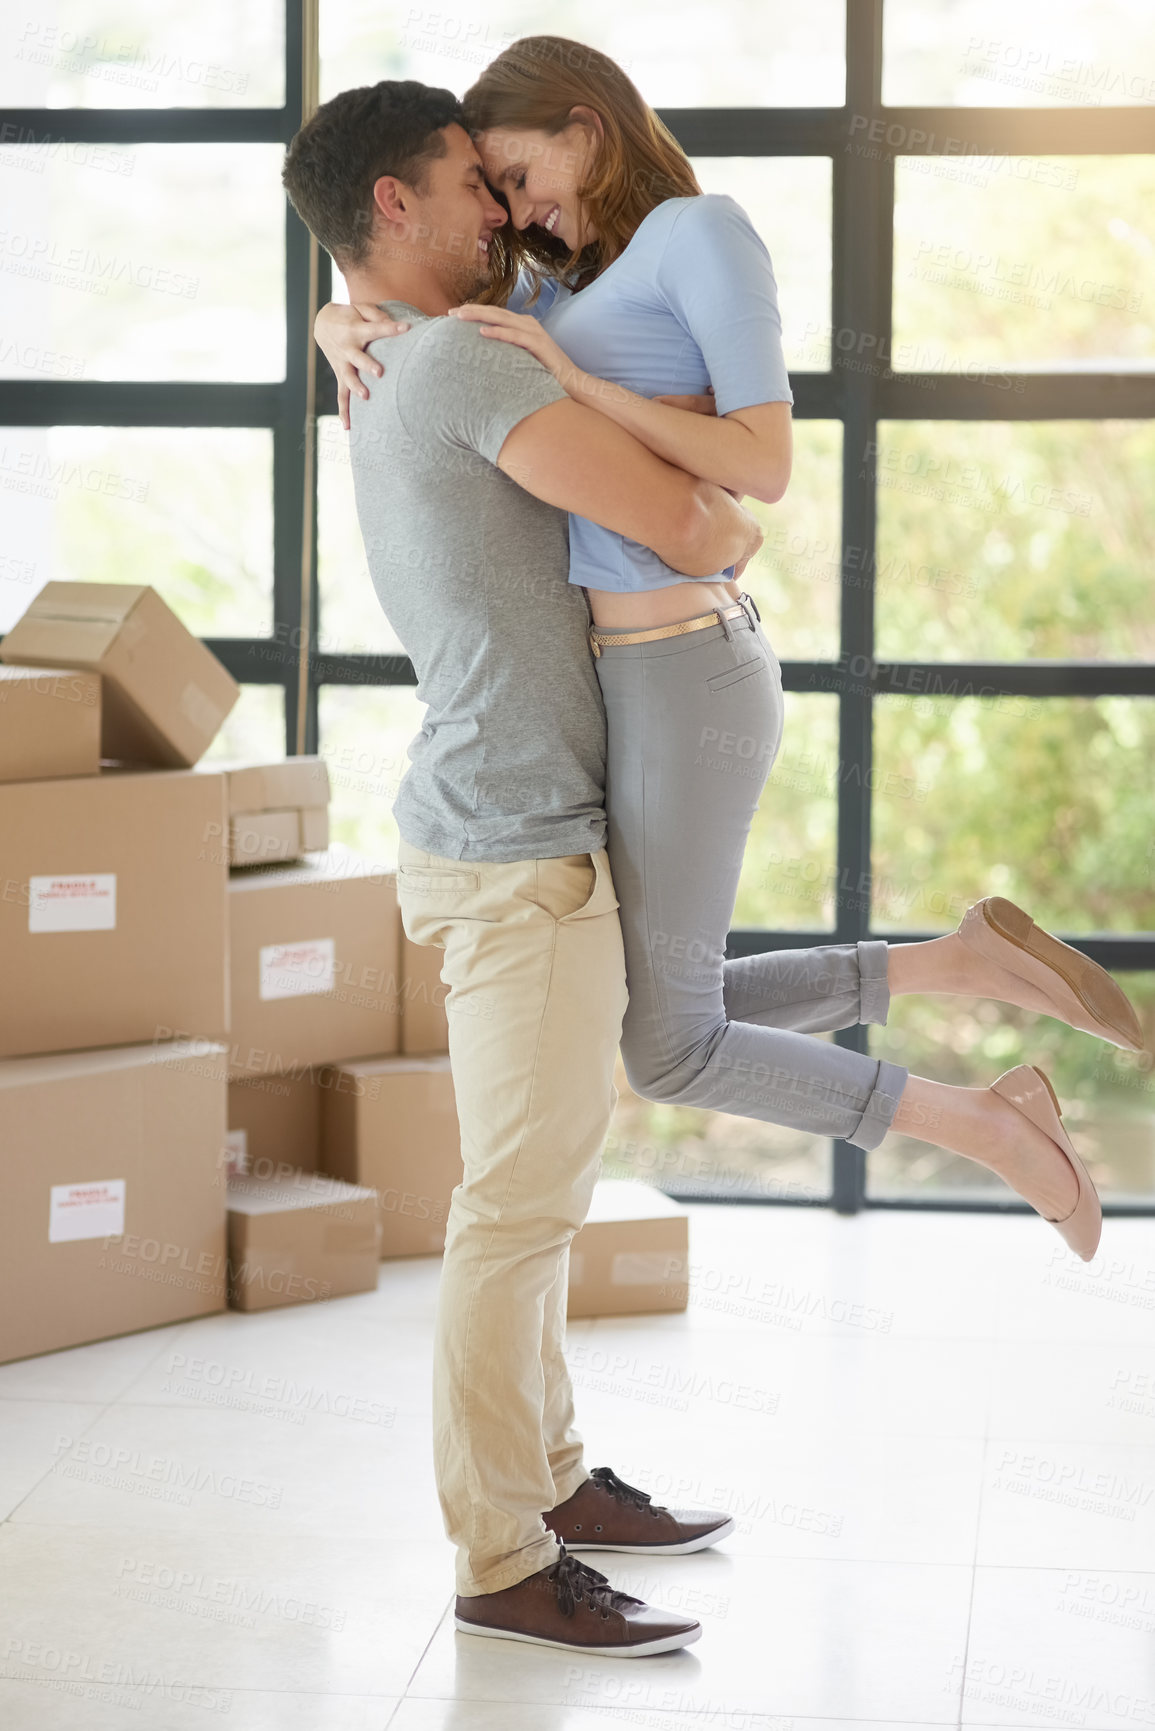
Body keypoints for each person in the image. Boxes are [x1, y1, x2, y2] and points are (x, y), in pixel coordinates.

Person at [316, 35, 1141, 1273]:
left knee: (671, 1044)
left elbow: (762, 464)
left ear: (587, 128)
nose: (509, 206)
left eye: (519, 171)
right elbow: (403, 298)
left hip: (685, 663)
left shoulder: (704, 235)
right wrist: (336, 323)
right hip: (637, 677)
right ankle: (956, 960)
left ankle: (991, 1127)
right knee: (656, 1013)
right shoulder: (563, 286)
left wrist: (564, 377)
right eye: (485, 185)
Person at [283, 78, 765, 1659]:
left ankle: (550, 1475)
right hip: (515, 845)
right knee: (514, 1207)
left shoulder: (398, 352)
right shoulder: (460, 367)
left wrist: (334, 321)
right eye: (467, 188)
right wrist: (713, 524)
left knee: (536, 1195)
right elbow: (697, 532)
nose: (503, 215)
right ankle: (497, 1550)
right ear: (396, 210)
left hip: (502, 825)